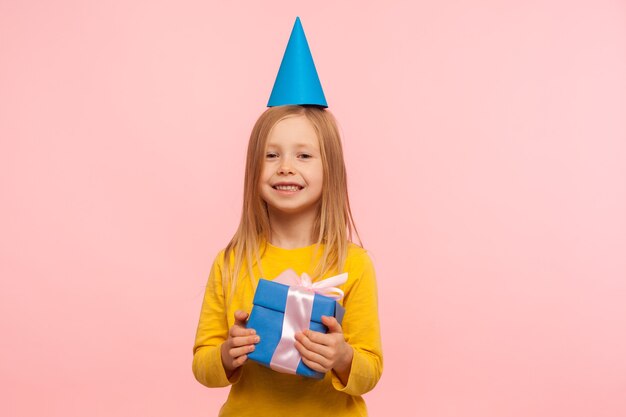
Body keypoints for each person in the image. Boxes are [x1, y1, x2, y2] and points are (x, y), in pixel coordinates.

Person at [192, 18, 382, 417]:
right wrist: (227, 354)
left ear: (330, 170)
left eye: (304, 155)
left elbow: (370, 371)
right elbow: (202, 365)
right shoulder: (231, 262)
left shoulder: (353, 264)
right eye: (272, 154)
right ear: (253, 170)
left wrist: (342, 356)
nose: (285, 167)